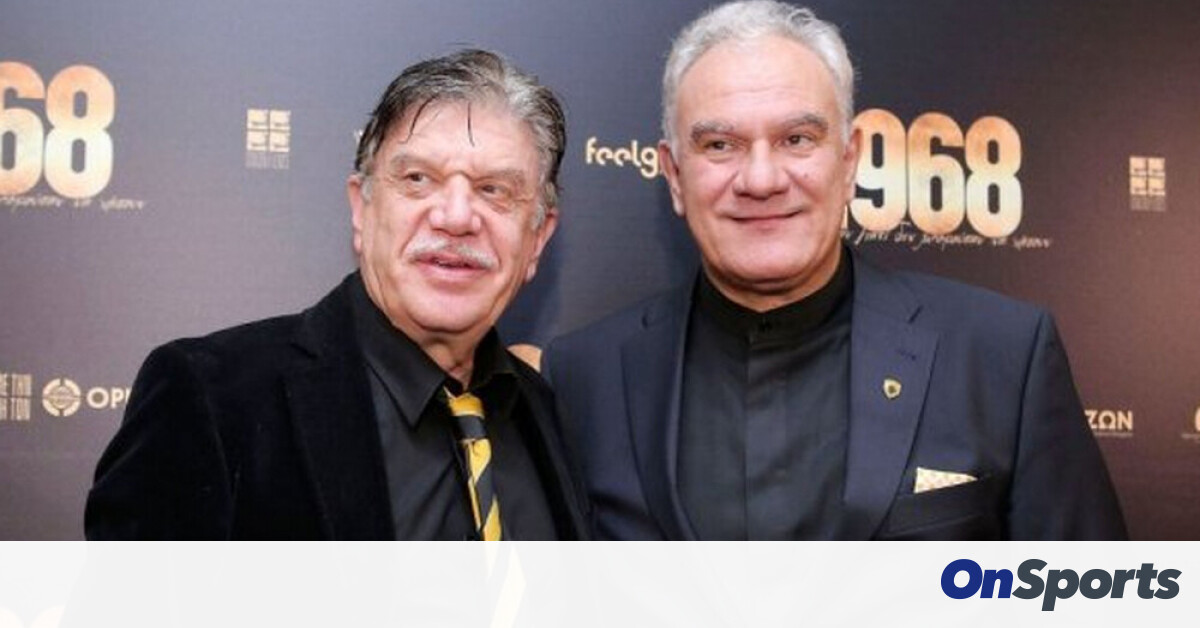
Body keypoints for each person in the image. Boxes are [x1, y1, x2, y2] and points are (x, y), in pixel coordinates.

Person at [543, 1, 1126, 540]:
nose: (762, 179)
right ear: (673, 175)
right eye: (720, 145)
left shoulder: (1002, 356)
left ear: (849, 161)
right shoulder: (583, 377)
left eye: (797, 139)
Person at [86, 49, 589, 540]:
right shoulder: (212, 398)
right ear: (361, 210)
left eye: (494, 189)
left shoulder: (550, 411)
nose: (456, 217)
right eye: (418, 179)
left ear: (537, 238)